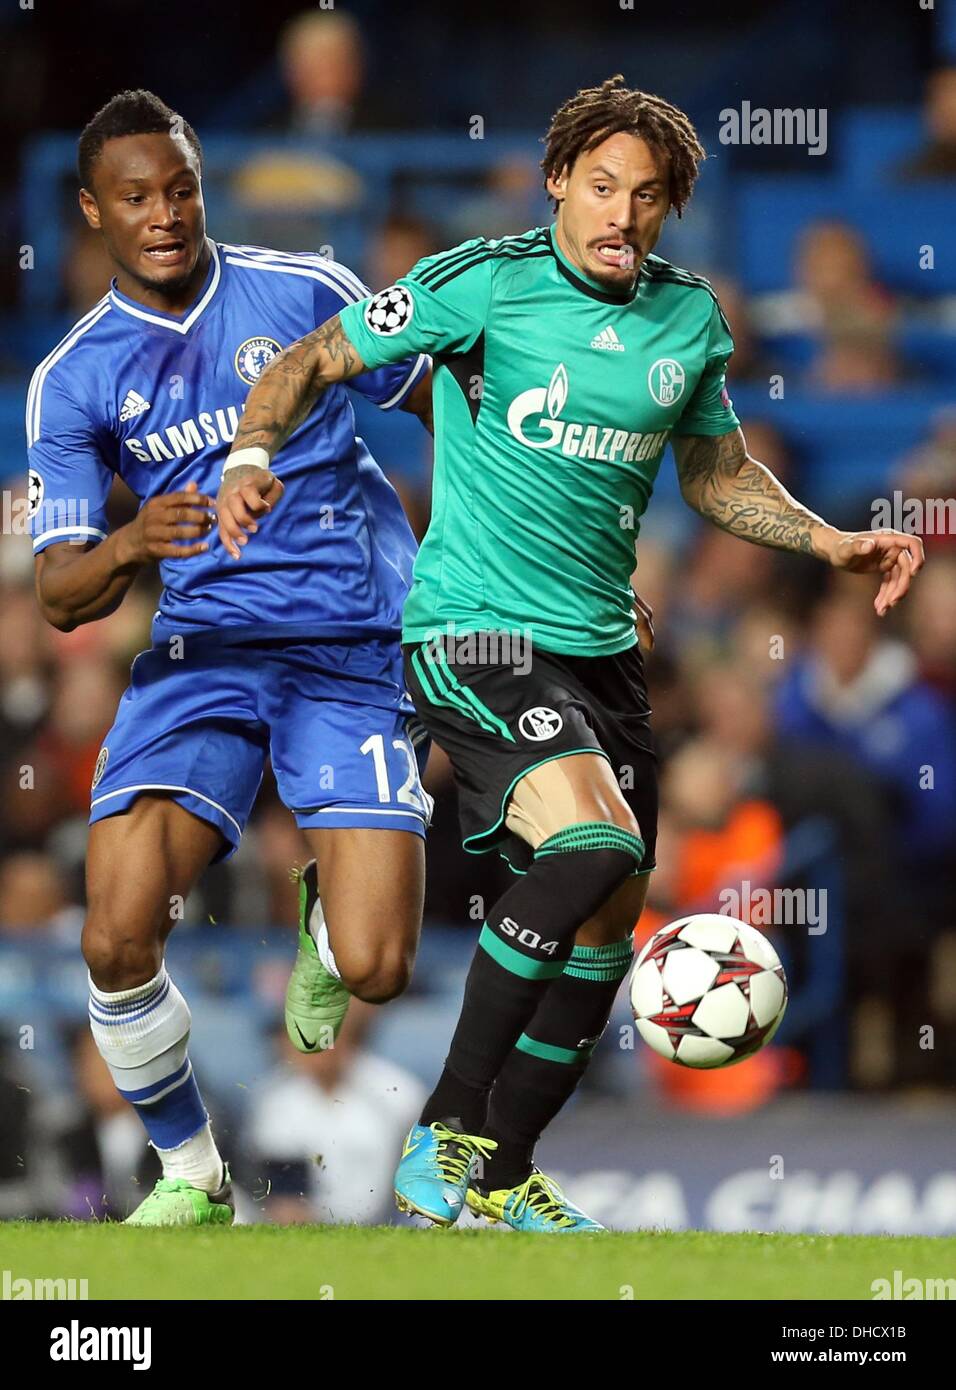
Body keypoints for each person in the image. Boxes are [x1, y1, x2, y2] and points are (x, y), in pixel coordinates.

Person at [218, 75, 924, 1233]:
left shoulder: (686, 318)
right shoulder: (479, 286)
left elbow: (715, 475)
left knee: (607, 920)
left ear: (668, 209)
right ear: (558, 181)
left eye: (645, 198)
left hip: (602, 651)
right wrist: (251, 452)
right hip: (474, 633)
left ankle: (502, 1172)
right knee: (592, 844)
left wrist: (828, 538)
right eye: (600, 187)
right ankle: (442, 1129)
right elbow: (309, 361)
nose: (620, 215)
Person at [27, 89, 433, 1227]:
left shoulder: (306, 290)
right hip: (201, 656)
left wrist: (484, 549)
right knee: (112, 930)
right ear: (92, 211)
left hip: (346, 642)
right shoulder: (73, 377)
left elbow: (441, 388)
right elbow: (58, 592)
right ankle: (192, 1172)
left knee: (378, 968)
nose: (164, 213)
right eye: (136, 196)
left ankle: (323, 911)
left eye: (182, 187)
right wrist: (127, 541)